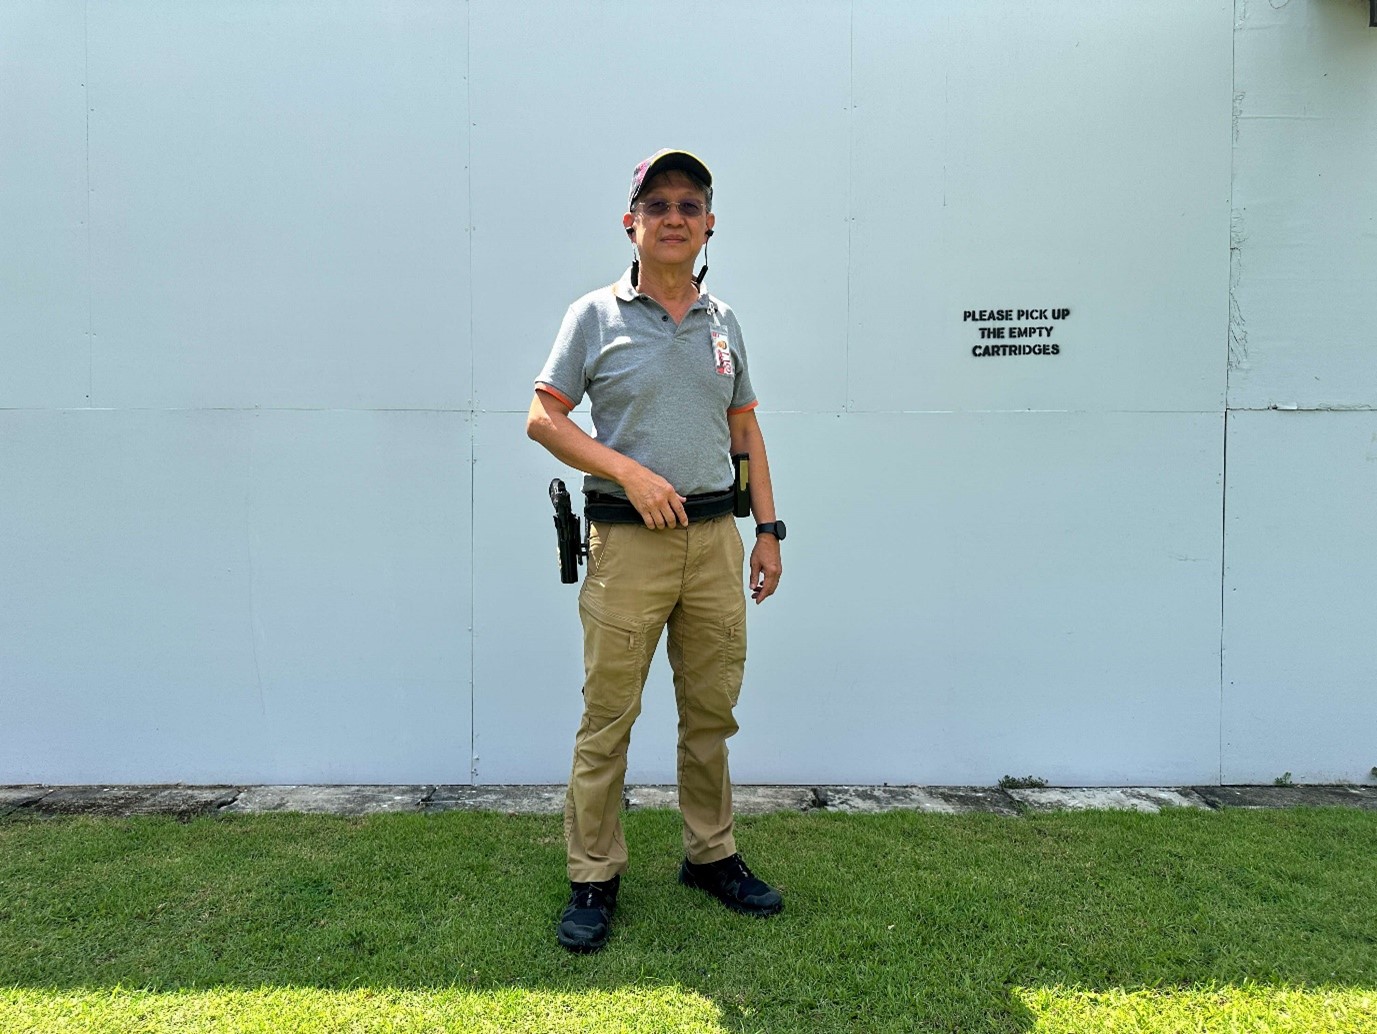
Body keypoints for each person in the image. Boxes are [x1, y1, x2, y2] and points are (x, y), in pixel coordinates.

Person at [526, 149, 788, 953]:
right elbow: (544, 417)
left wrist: (768, 531)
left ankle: (710, 854)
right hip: (628, 547)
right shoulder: (593, 316)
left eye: (689, 204)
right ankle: (594, 876)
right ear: (630, 221)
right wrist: (628, 471)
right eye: (658, 204)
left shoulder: (723, 321)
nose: (673, 217)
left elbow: (743, 427)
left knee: (711, 711)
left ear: (709, 223)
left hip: (714, 540)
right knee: (609, 716)